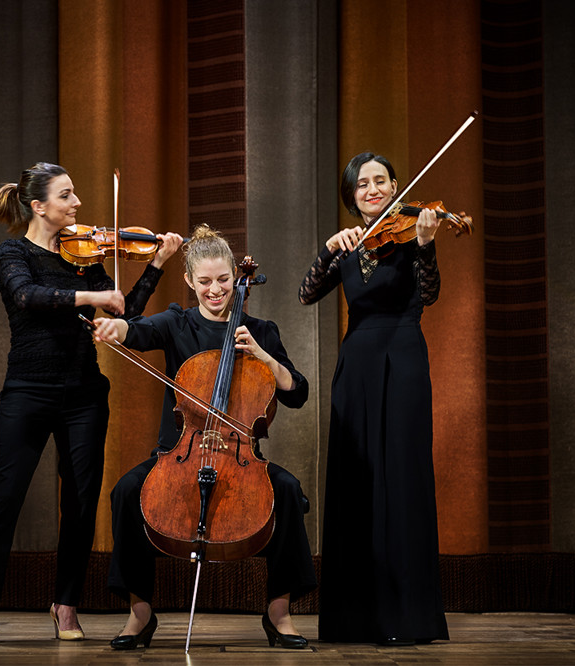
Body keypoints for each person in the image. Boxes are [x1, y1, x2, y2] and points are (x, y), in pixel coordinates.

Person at [0, 162, 183, 643]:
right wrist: (91, 292)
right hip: (27, 390)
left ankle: (66, 604)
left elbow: (121, 309)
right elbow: (28, 297)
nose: (78, 204)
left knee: (82, 501)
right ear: (39, 205)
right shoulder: (13, 253)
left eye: (76, 195)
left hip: (84, 393)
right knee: (6, 497)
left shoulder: (85, 256)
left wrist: (155, 265)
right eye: (67, 196)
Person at [91, 224, 316, 650]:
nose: (216, 290)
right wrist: (112, 329)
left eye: (224, 280)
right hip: (178, 453)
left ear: (237, 276)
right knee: (126, 492)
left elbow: (297, 393)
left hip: (240, 456)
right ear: (190, 281)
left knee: (286, 490)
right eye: (206, 282)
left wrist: (264, 356)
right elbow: (134, 331)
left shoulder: (261, 331)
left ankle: (279, 613)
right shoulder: (177, 322)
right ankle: (140, 613)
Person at [298, 152, 448, 645]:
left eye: (380, 181)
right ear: (351, 196)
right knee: (356, 479)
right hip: (356, 364)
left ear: (395, 185)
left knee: (402, 476)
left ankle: (408, 617)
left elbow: (428, 295)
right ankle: (353, 618)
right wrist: (326, 250)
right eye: (361, 185)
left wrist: (425, 246)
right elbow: (306, 293)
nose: (371, 190)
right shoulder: (346, 246)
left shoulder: (410, 234)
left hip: (402, 357)